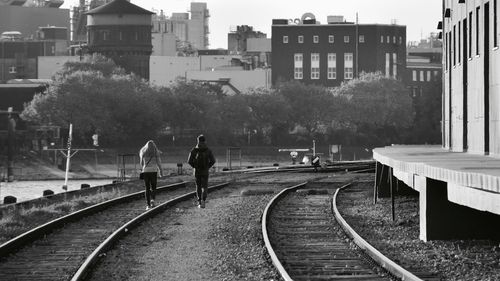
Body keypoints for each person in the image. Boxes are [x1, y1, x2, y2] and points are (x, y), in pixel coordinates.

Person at [187, 134, 215, 208]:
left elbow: (189, 161)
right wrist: (207, 167)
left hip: (197, 171)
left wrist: (195, 167)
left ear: (198, 141)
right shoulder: (208, 150)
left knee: (198, 186)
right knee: (205, 186)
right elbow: (213, 161)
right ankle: (204, 200)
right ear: (205, 141)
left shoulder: (194, 150)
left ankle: (199, 201)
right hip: (205, 171)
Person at [139, 140, 163, 210]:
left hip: (146, 171)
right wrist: (161, 171)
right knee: (153, 187)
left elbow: (141, 163)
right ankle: (153, 200)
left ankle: (148, 205)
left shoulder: (143, 152)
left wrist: (143, 168)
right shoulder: (156, 153)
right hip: (153, 171)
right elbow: (159, 163)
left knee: (147, 188)